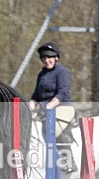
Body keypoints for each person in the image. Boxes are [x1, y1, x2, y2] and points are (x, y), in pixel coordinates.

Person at [28, 41, 76, 171]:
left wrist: (48, 107)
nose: (46, 60)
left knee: (53, 128)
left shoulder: (62, 72)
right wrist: (28, 108)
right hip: (45, 109)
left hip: (63, 107)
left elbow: (62, 93)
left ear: (56, 58)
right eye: (44, 58)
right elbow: (36, 96)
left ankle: (68, 161)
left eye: (49, 57)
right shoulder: (41, 74)